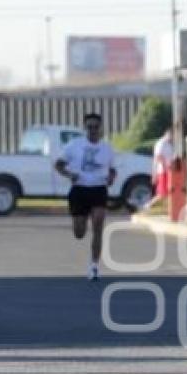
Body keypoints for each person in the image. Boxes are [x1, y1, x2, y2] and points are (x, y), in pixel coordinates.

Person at [54, 112, 116, 281]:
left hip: (98, 189)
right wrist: (69, 174)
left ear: (100, 128)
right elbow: (58, 164)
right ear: (85, 128)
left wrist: (111, 177)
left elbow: (112, 169)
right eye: (90, 127)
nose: (93, 130)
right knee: (79, 233)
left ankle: (94, 266)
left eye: (96, 127)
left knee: (98, 225)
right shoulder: (74, 146)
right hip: (79, 190)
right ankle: (82, 221)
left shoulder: (107, 148)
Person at [143, 128, 174, 211]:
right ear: (167, 134)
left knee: (168, 192)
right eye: (171, 135)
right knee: (162, 193)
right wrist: (165, 166)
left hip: (168, 170)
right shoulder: (161, 143)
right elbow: (158, 156)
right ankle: (148, 205)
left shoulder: (169, 144)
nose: (172, 137)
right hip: (162, 170)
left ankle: (167, 209)